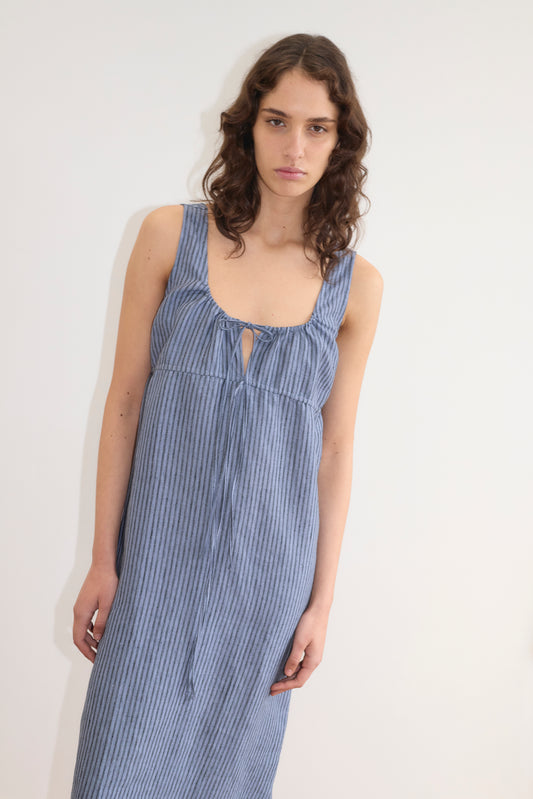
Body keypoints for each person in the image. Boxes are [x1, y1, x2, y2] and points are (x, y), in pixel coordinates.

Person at [70, 32, 383, 798]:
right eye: (277, 120)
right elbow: (124, 403)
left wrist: (320, 602)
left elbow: (336, 449)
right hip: (153, 566)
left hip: (267, 585)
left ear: (340, 143)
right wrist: (104, 557)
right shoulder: (166, 238)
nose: (294, 146)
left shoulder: (356, 288)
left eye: (317, 128)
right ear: (246, 124)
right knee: (114, 768)